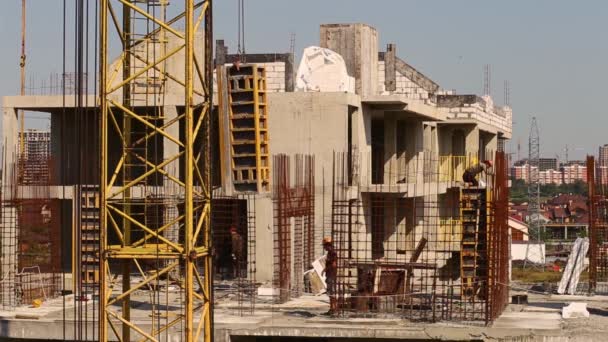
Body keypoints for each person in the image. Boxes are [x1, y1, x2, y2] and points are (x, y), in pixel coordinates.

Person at [322, 236, 338, 315]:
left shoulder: (333, 252)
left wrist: (326, 269)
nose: (324, 247)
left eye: (324, 246)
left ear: (328, 245)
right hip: (330, 274)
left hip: (332, 274)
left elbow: (334, 265)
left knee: (332, 292)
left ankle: (334, 308)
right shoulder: (330, 252)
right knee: (330, 292)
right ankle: (332, 308)